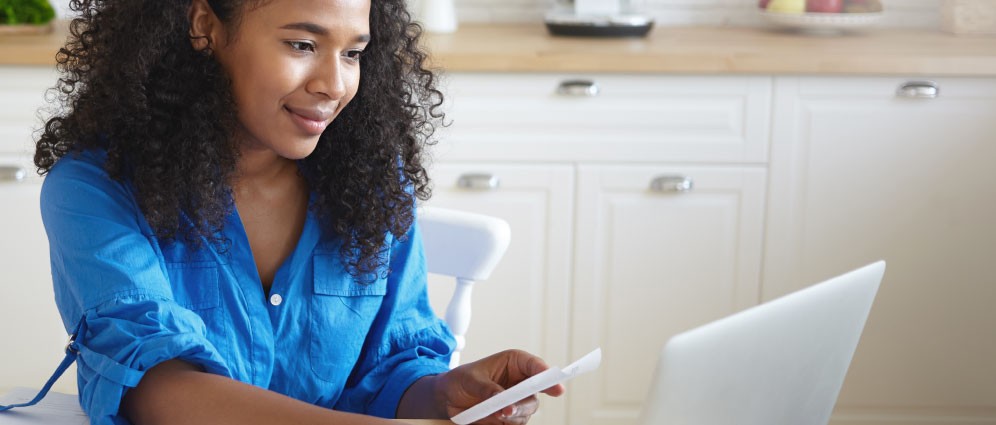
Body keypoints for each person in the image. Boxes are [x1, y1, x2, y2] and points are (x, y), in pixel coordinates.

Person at [31, 0, 564, 424]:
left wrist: (446, 393)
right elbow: (157, 390)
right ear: (204, 25)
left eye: (353, 53)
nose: (333, 85)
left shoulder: (372, 186)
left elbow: (389, 374)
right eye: (302, 43)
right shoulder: (95, 189)